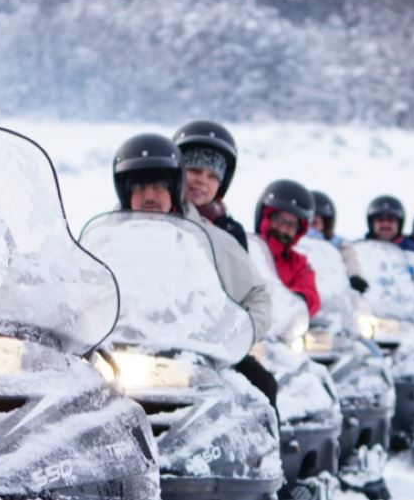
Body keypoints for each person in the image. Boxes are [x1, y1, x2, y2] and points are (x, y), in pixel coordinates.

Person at [112, 133, 276, 405]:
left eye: (159, 187)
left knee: (259, 390)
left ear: (173, 188)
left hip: (189, 352)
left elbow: (256, 294)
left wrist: (233, 337)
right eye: (140, 188)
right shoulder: (108, 237)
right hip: (118, 349)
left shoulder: (211, 237)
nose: (149, 196)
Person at [173, 120, 248, 250]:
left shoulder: (232, 232)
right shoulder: (159, 215)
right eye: (195, 170)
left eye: (212, 176)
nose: (202, 180)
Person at [354, 195, 414, 304]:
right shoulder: (356, 250)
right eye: (380, 220)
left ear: (399, 223)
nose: (385, 224)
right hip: (365, 310)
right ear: (371, 223)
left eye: (390, 220)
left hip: (402, 313)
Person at [254, 180, 320, 318]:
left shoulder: (298, 263)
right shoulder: (245, 247)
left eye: (291, 224)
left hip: (280, 328)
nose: (284, 229)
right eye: (280, 220)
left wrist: (297, 299)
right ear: (266, 218)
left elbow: (311, 294)